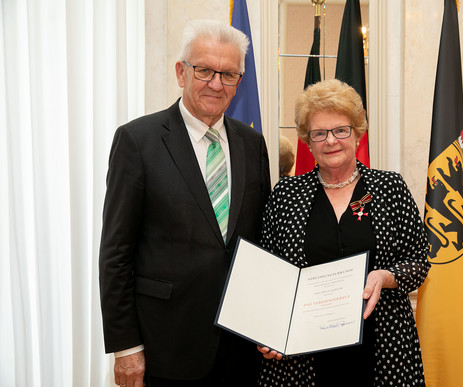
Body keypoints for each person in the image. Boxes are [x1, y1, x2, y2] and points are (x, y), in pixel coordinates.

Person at [99, 20, 271, 387]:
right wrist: (126, 346)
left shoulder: (252, 144)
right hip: (166, 347)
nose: (216, 83)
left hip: (240, 347)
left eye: (228, 74)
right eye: (205, 70)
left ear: (239, 82)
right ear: (181, 72)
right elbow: (116, 252)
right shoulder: (138, 141)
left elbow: (259, 242)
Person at [256, 79, 430, 386]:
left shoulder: (390, 189)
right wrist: (267, 332)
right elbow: (268, 274)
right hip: (301, 358)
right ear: (307, 141)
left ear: (357, 134)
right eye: (319, 133)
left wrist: (385, 276)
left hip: (383, 349)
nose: (331, 141)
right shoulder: (286, 195)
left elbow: (419, 261)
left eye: (340, 130)